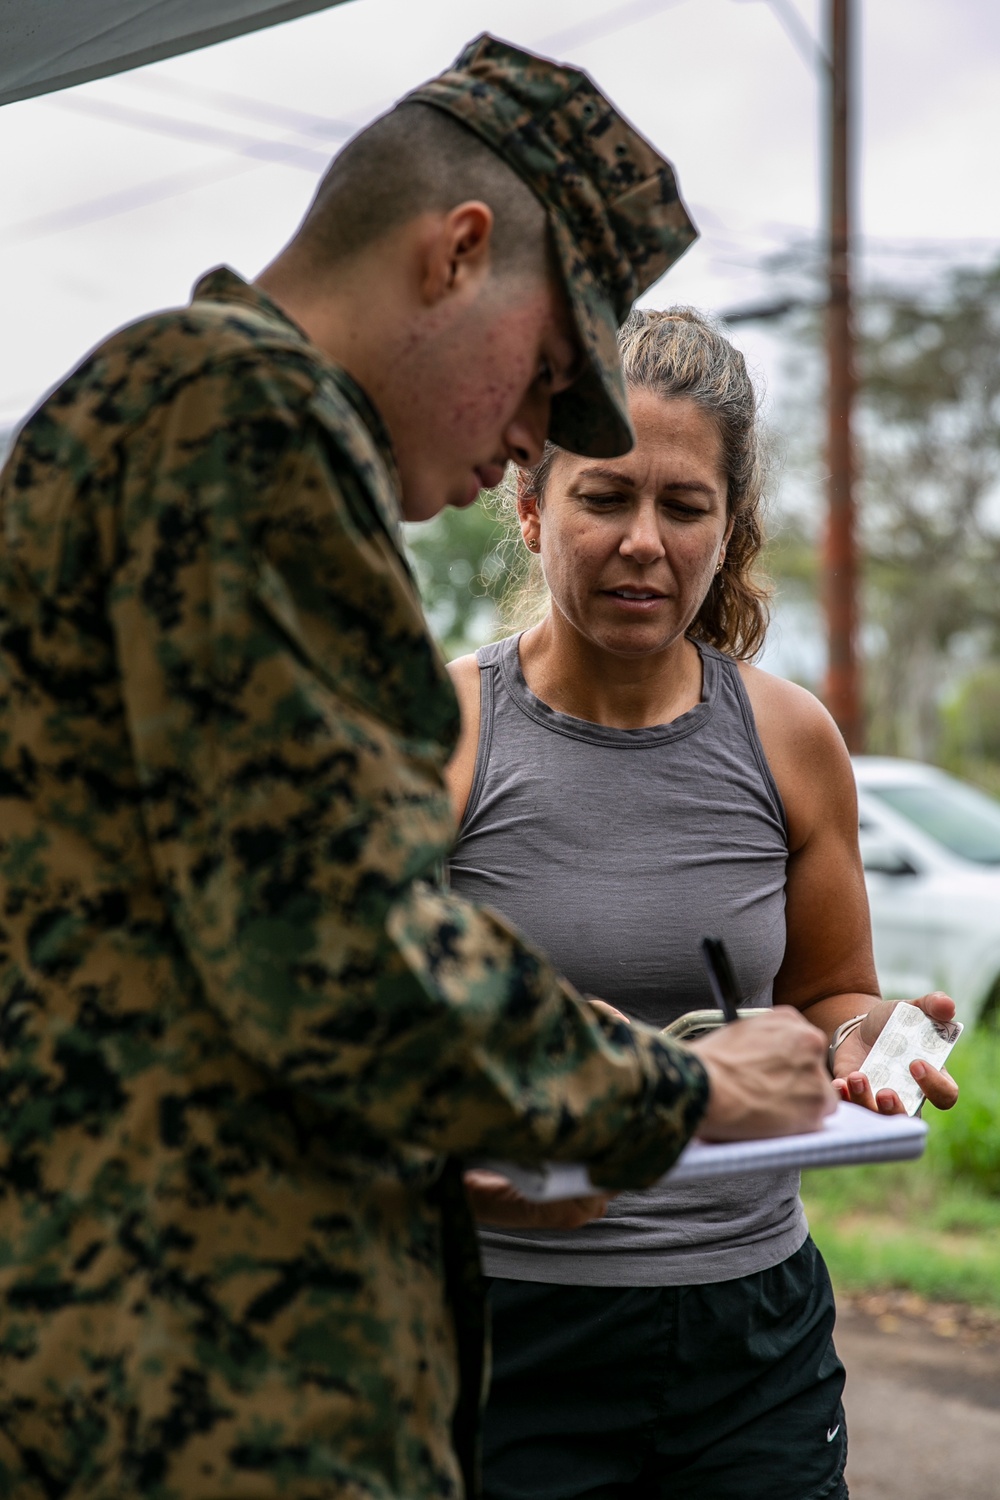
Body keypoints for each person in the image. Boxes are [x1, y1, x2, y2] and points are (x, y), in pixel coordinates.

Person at [0, 36, 836, 1500]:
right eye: (551, 386)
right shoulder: (243, 426)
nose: (525, 438)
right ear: (457, 257)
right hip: (206, 1386)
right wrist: (678, 1093)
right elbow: (342, 954)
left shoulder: (184, 410)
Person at [446, 306, 960, 1500]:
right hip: (509, 1328)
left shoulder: (787, 739)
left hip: (750, 1334)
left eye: (684, 507)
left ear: (728, 531)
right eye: (603, 498)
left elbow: (827, 988)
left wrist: (864, 1037)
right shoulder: (447, 733)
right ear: (531, 509)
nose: (644, 542)